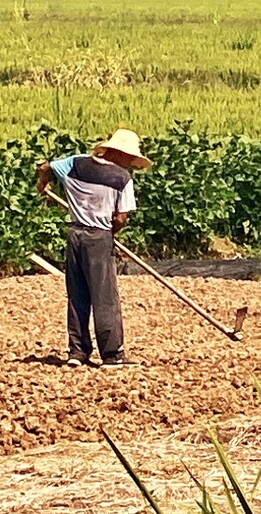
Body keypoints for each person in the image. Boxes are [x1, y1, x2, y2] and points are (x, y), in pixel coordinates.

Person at [35, 129, 150, 369]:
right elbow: (120, 218)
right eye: (129, 158)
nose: (130, 163)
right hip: (98, 238)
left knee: (77, 294)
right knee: (104, 297)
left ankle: (77, 352)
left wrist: (42, 185)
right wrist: (109, 234)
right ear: (118, 153)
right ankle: (112, 355)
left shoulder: (75, 163)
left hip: (75, 235)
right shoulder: (122, 178)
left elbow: (44, 167)